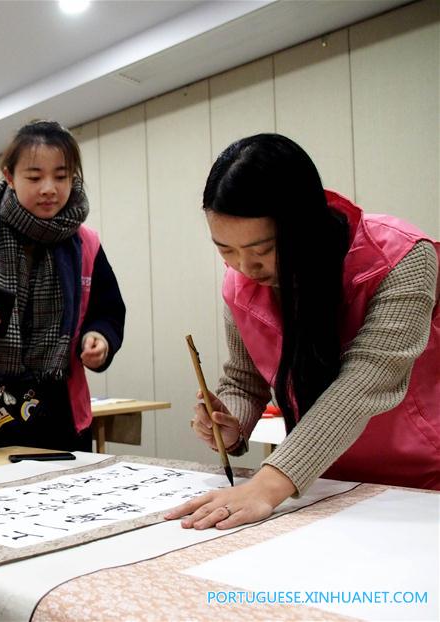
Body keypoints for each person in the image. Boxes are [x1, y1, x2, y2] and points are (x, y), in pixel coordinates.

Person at [165, 133, 439, 531]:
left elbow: (364, 383)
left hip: (419, 484)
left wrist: (268, 484)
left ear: (302, 226)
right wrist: (232, 423)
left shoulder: (400, 259)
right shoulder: (240, 285)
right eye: (225, 250)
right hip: (319, 482)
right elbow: (244, 380)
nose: (245, 267)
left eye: (262, 249)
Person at [0, 120, 126, 455]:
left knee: (62, 502)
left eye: (61, 176)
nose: (49, 188)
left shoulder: (85, 243)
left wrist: (101, 339)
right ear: (9, 176)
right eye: (34, 176)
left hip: (56, 410)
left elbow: (109, 311)